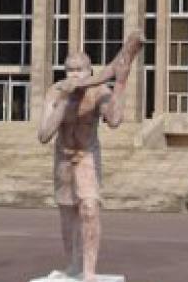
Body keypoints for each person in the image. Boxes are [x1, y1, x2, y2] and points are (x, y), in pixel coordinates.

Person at [37, 32, 143, 282]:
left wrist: (120, 83)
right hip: (63, 157)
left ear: (90, 71)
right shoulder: (55, 92)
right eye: (69, 70)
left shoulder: (98, 92)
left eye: (79, 70)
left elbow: (115, 120)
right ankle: (73, 264)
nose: (74, 75)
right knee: (67, 213)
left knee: (89, 207)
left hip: (86, 155)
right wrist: (64, 102)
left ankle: (89, 270)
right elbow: (43, 134)